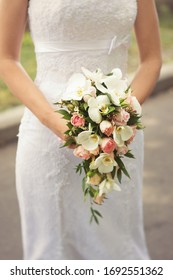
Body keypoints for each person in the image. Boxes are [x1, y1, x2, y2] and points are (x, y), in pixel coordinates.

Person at [0, 0, 162, 260]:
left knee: (117, 241)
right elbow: (6, 59)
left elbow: (152, 59)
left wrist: (122, 116)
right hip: (46, 133)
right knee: (52, 248)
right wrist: (54, 122)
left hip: (117, 135)